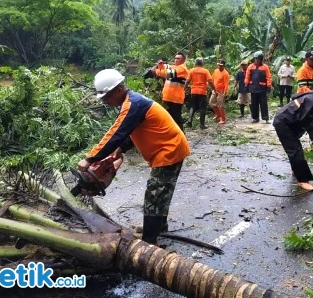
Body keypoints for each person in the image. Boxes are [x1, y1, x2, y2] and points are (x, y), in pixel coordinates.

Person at [78, 69, 190, 244]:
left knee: (154, 194)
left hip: (169, 149)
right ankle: (159, 227)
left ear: (118, 90)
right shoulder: (132, 102)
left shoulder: (133, 104)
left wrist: (90, 158)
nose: (106, 101)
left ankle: (149, 242)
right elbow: (130, 131)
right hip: (170, 147)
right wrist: (121, 148)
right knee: (162, 191)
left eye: (107, 96)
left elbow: (115, 133)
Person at [272, 81, 313, 191]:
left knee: (295, 147)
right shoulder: (311, 100)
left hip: (288, 122)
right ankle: (303, 180)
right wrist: (312, 133)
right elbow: (305, 120)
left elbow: (309, 119)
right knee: (295, 149)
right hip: (283, 123)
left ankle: (296, 169)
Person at [151, 52, 189, 131]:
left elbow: (166, 73)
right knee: (169, 118)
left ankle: (181, 135)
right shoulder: (174, 66)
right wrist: (160, 64)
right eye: (175, 58)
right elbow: (165, 67)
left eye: (178, 58)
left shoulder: (182, 69)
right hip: (168, 97)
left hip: (176, 98)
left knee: (176, 119)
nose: (176, 60)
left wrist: (156, 71)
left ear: (183, 60)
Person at [184, 58, 214, 129]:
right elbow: (210, 81)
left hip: (194, 91)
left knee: (193, 106)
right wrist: (214, 89)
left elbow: (187, 81)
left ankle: (190, 120)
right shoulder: (205, 71)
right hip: (202, 92)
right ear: (202, 63)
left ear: (195, 63)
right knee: (202, 108)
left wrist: (184, 89)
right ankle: (202, 125)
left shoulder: (191, 70)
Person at [245, 51, 272, 123]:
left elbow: (268, 77)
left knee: (263, 104)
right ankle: (255, 118)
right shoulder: (250, 67)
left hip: (262, 89)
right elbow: (247, 76)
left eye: (257, 59)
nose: (256, 60)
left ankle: (265, 118)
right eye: (255, 59)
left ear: (261, 59)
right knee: (254, 104)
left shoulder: (265, 67)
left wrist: (269, 85)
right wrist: (246, 84)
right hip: (253, 88)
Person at [210, 59, 230, 124]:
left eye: (221, 65)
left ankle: (223, 119)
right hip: (215, 90)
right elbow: (212, 79)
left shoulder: (225, 74)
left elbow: (226, 84)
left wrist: (225, 92)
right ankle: (218, 115)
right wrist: (210, 86)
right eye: (219, 65)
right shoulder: (215, 71)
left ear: (224, 66)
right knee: (211, 103)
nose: (220, 67)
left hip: (221, 91)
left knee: (220, 105)